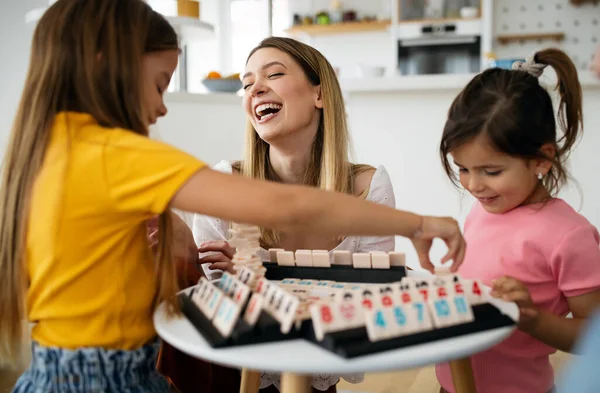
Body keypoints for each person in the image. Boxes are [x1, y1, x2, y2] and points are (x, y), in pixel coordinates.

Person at [0, 1, 466, 392]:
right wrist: (419, 224)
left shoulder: (47, 149)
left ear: (320, 94)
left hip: (53, 370)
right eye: (160, 83)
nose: (163, 106)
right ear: (109, 65)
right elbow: (287, 205)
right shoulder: (119, 155)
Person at [159, 36, 399, 393]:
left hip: (315, 372)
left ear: (319, 94)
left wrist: (260, 280)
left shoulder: (369, 186)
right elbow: (214, 318)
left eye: (273, 75)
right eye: (247, 83)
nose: (255, 89)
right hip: (234, 375)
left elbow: (367, 305)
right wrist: (230, 281)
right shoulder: (225, 185)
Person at [435, 49, 600, 393]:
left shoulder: (570, 236)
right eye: (462, 168)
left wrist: (532, 318)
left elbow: (593, 334)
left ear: (542, 159)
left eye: (491, 171)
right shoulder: (483, 211)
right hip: (453, 385)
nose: (474, 185)